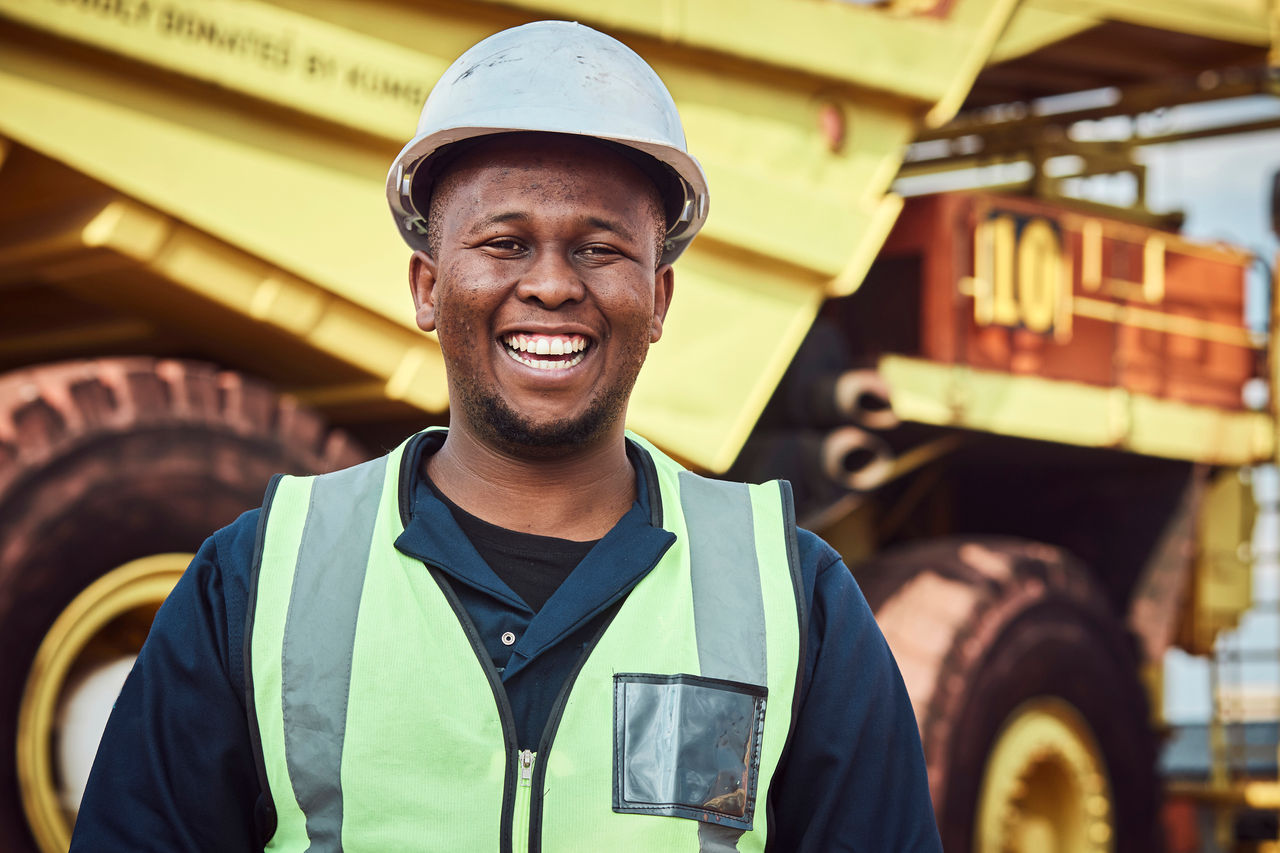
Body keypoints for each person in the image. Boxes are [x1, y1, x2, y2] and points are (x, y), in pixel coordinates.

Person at [71, 20, 942, 852]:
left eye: (600, 248)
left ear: (660, 300)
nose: (553, 285)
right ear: (426, 286)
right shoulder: (261, 579)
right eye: (505, 242)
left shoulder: (791, 599)